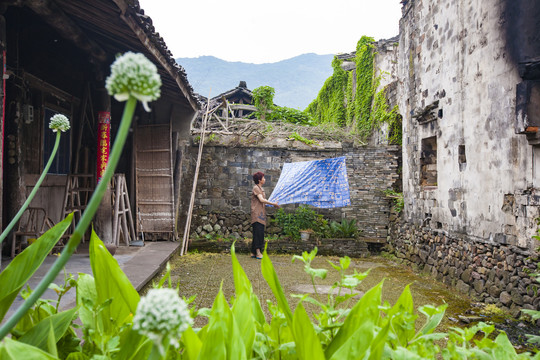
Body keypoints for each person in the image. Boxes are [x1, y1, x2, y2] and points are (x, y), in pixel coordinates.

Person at [251, 171, 279, 259]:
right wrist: (273, 203)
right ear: (259, 180)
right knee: (258, 233)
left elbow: (264, 201)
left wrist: (273, 204)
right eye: (263, 178)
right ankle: (258, 252)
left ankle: (253, 252)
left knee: (259, 232)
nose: (264, 179)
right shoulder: (256, 188)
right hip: (257, 214)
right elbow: (262, 200)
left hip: (261, 214)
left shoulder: (260, 188)